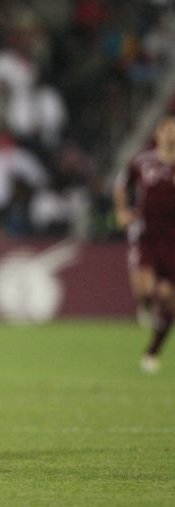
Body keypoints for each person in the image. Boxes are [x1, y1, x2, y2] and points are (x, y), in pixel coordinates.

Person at [114, 114, 175, 374]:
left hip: (172, 239)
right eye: (167, 129)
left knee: (169, 299)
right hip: (146, 234)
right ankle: (146, 307)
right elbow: (121, 185)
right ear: (158, 134)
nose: (171, 134)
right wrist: (122, 211)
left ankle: (152, 352)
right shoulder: (142, 161)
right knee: (146, 290)